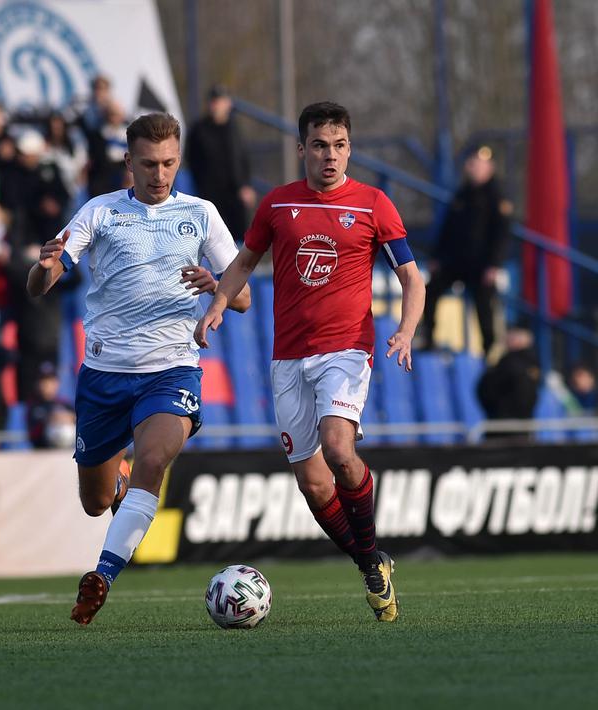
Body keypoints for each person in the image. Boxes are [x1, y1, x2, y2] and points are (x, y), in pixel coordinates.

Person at [199, 101, 425, 623]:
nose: (330, 156)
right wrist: (217, 303)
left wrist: (407, 330)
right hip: (288, 357)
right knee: (314, 483)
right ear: (301, 148)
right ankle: (372, 562)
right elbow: (244, 262)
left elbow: (412, 277)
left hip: (347, 348)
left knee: (339, 450)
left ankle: (370, 565)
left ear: (350, 148)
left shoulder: (373, 204)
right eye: (320, 145)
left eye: (340, 146)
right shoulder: (278, 205)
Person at [26, 112, 250, 626]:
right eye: (149, 163)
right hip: (104, 376)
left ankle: (102, 575)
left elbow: (245, 297)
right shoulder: (99, 212)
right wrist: (43, 268)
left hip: (172, 370)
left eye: (169, 162)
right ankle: (120, 491)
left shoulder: (201, 213)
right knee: (95, 499)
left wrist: (217, 282)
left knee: (153, 460)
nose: (160, 173)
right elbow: (44, 281)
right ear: (129, 162)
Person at [421, 145, 512, 357]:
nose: (475, 168)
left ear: (490, 167)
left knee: (484, 304)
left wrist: (494, 264)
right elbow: (447, 230)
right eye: (472, 164)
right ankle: (429, 337)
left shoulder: (495, 197)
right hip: (456, 261)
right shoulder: (461, 195)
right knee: (430, 289)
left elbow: (501, 234)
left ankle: (489, 348)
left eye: (480, 164)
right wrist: (436, 258)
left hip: (482, 264)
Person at [186, 85, 256, 240]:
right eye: (213, 101)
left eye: (220, 101)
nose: (216, 105)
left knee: (240, 240)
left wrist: (245, 185)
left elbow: (243, 158)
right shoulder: (198, 130)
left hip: (235, 195)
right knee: (213, 239)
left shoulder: (234, 128)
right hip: (210, 196)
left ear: (228, 103)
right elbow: (192, 162)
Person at [477, 327, 540, 437]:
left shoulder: (509, 363)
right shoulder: (533, 364)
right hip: (524, 427)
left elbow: (487, 389)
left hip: (503, 427)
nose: (506, 339)